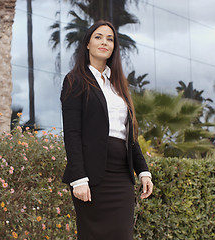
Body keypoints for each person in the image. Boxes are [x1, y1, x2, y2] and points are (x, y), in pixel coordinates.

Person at [60, 20, 154, 240]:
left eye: (110, 39)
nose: (104, 42)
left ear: (114, 47)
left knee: (122, 235)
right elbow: (72, 133)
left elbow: (128, 134)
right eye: (98, 37)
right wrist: (79, 179)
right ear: (87, 44)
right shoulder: (75, 80)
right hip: (92, 177)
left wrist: (143, 171)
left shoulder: (118, 85)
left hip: (121, 176)